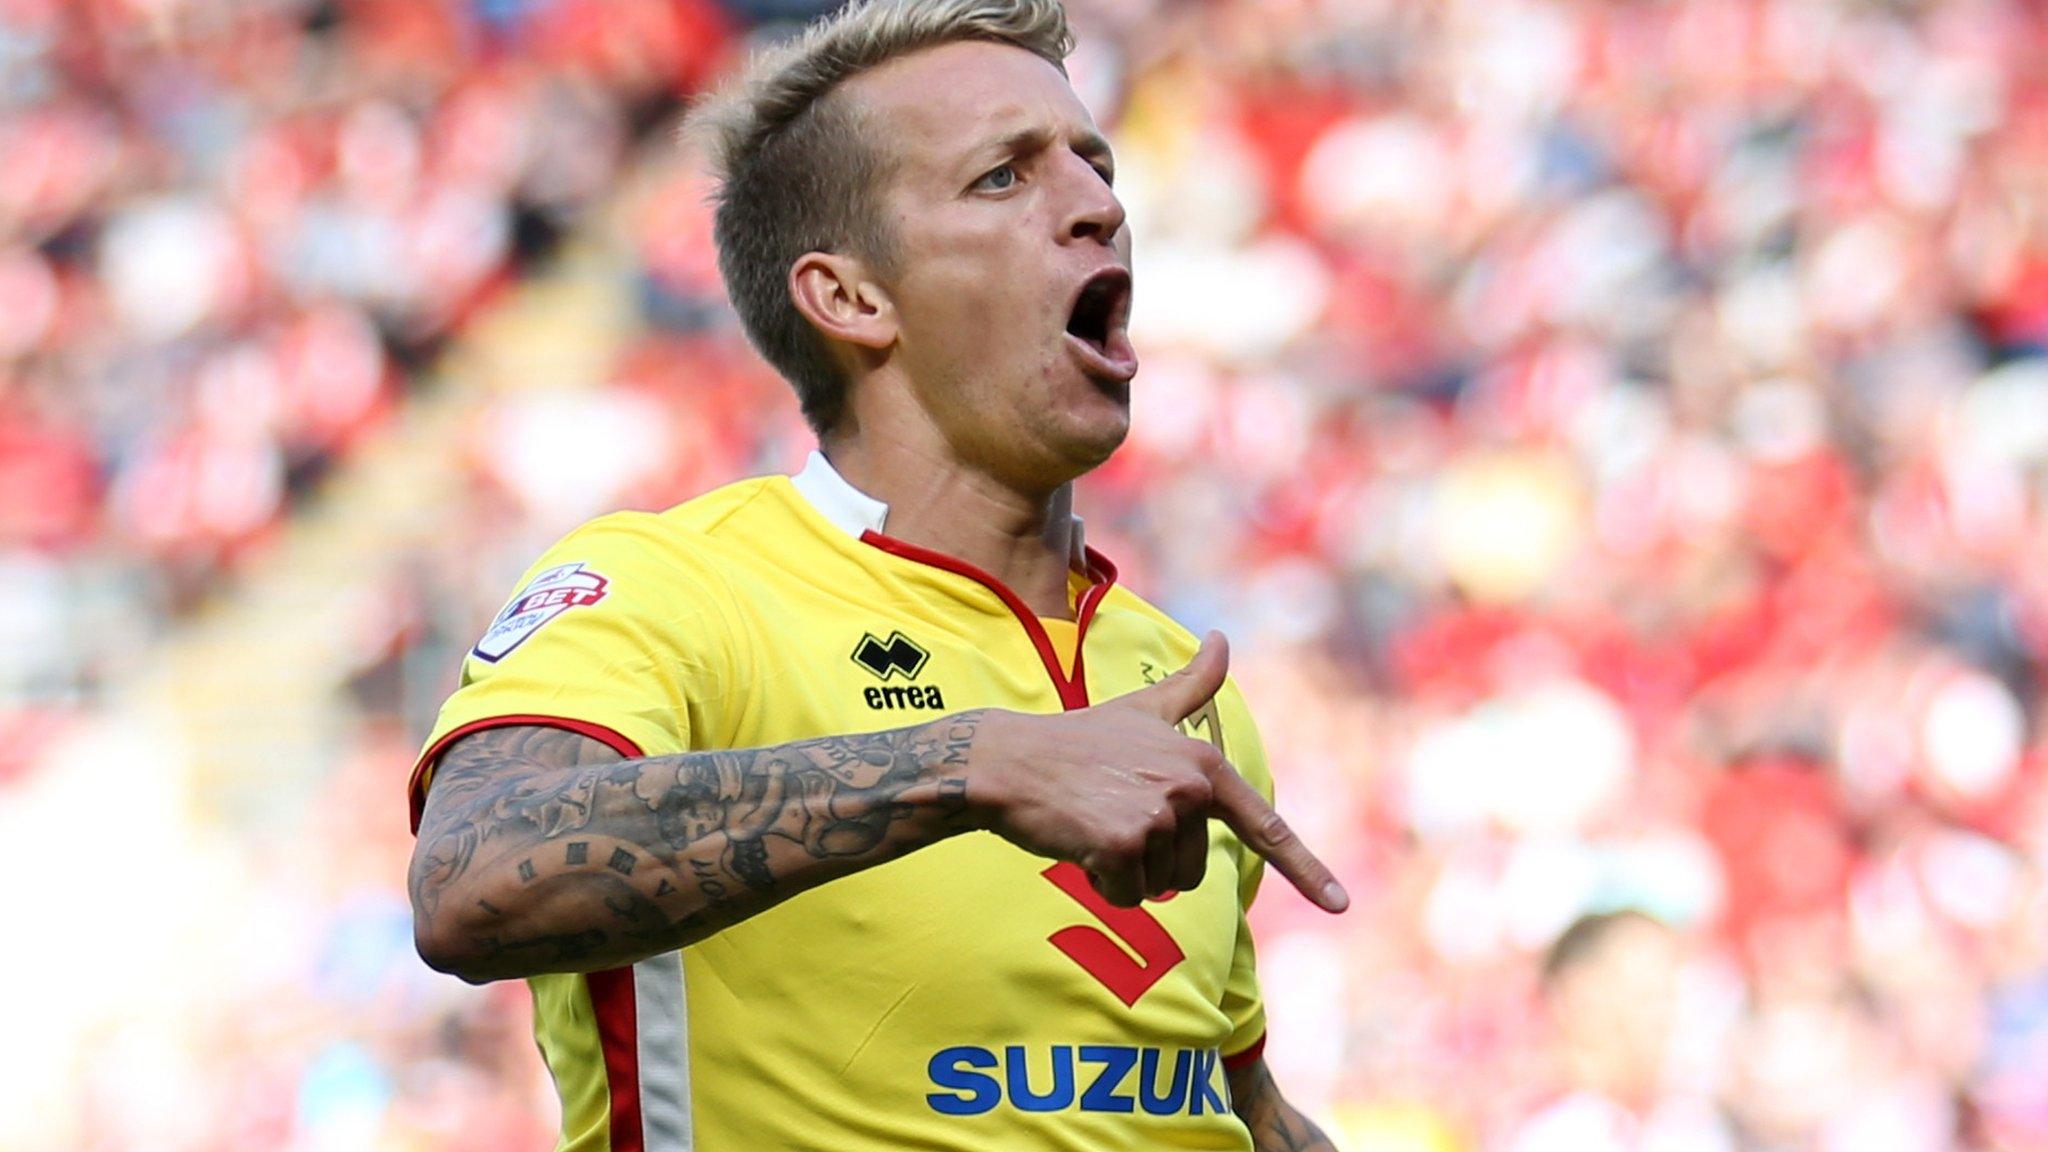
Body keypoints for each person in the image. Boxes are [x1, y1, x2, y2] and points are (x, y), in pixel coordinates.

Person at [404, 0, 1349, 1147]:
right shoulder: (674, 586)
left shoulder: (1169, 678)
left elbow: (1232, 1106)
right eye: (1002, 178)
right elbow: (474, 875)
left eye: (1090, 164)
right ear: (850, 298)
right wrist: (973, 761)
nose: (1098, 204)